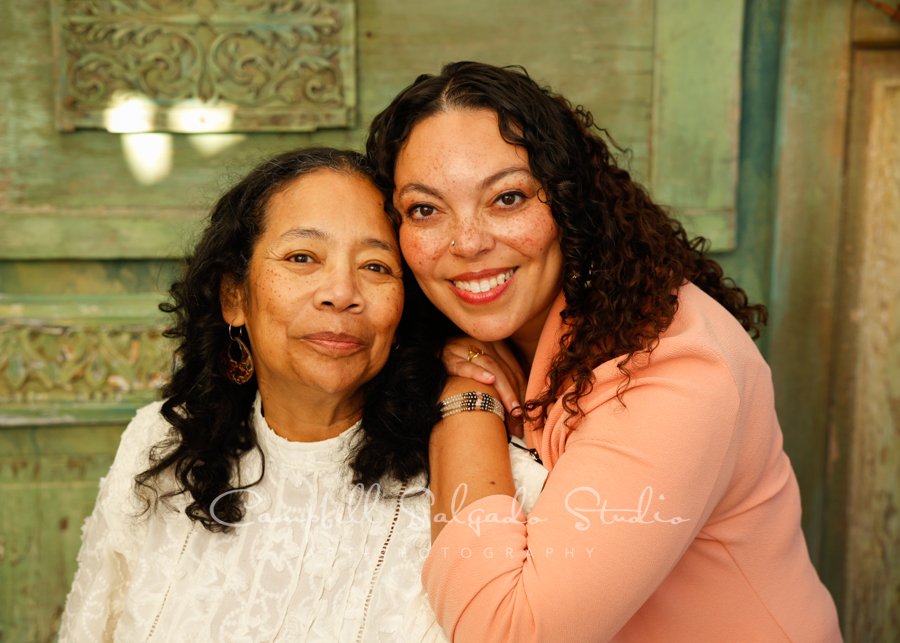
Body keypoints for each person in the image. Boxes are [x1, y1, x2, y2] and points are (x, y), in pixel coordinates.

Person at [366, 62, 843, 642]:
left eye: (508, 198)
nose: (467, 242)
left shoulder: (677, 372)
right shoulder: (474, 334)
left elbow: (510, 632)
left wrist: (468, 402)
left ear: (569, 202)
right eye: (425, 209)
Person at [58, 147, 548, 642]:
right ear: (235, 296)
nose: (341, 291)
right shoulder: (160, 443)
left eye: (376, 267)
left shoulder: (488, 480)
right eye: (302, 258)